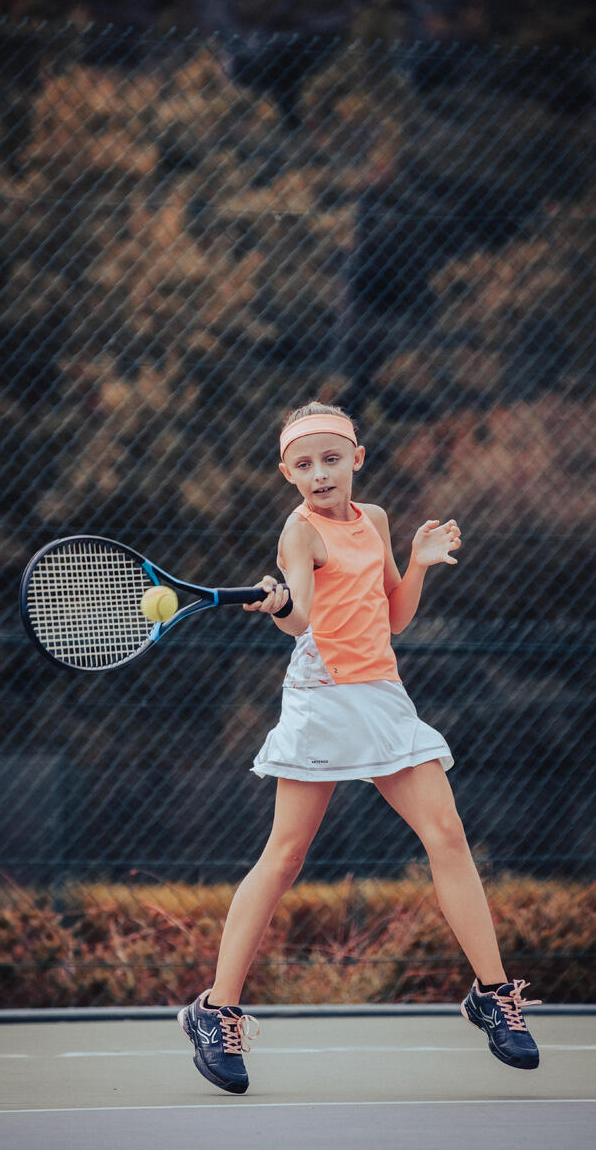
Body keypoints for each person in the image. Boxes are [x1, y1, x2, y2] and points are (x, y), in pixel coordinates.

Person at [178, 401, 541, 1094]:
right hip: (322, 699)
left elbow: (393, 616)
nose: (320, 474)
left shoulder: (372, 521)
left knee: (448, 834)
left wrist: (418, 561)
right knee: (284, 859)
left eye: (332, 459)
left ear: (357, 460)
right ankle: (215, 1010)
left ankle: (493, 996)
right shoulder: (299, 533)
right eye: (305, 464)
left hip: (382, 696)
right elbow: (303, 620)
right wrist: (278, 604)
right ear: (288, 473)